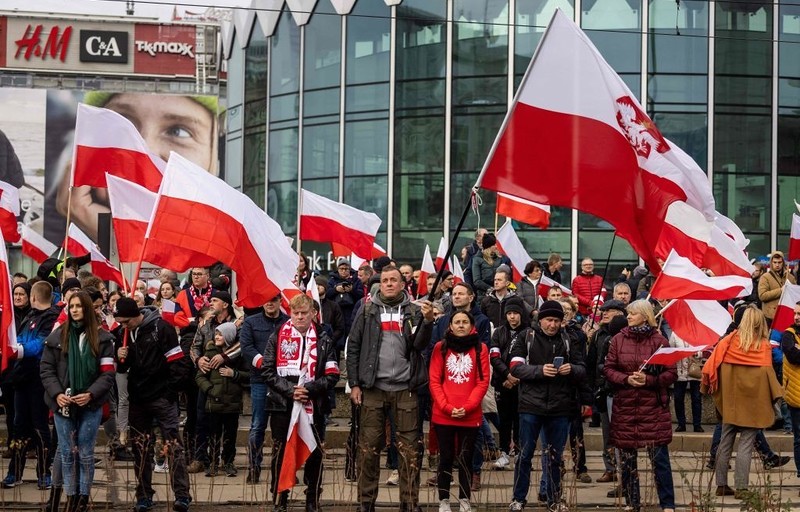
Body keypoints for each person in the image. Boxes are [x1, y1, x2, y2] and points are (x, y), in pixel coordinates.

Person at [347, 267, 434, 512]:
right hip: (373, 389)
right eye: (384, 280)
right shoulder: (367, 310)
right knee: (368, 449)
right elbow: (353, 347)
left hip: (406, 389)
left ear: (402, 284)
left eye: (393, 280)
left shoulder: (414, 311)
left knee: (410, 449)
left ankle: (410, 503)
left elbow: (420, 344)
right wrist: (354, 383)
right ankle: (365, 503)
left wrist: (427, 322)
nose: (388, 284)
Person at [114, 297, 192, 512]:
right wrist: (119, 356)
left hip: (161, 397)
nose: (124, 326)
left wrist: (170, 393)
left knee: (173, 446)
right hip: (138, 399)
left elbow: (178, 363)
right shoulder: (122, 333)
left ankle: (182, 495)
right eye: (120, 322)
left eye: (126, 321)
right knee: (140, 449)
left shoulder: (161, 328)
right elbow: (122, 369)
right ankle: (144, 495)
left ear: (136, 315)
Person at [263, 294, 339, 512]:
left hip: (313, 404)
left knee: (315, 454)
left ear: (313, 313)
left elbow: (332, 374)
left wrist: (309, 390)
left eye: (304, 313)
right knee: (280, 453)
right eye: (295, 313)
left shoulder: (324, 338)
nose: (299, 317)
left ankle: (312, 499)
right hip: (283, 404)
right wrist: (291, 391)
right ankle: (280, 498)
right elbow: (267, 371)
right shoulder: (277, 335)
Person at [40, 291, 116, 512]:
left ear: (87, 309)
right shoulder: (57, 337)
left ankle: (82, 500)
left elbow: (107, 374)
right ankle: (70, 497)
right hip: (63, 403)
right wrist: (57, 394)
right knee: (66, 452)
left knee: (85, 453)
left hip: (90, 404)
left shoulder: (102, 338)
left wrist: (90, 393)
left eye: (79, 306)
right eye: (71, 306)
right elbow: (46, 369)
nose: (74, 310)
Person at [508, 300, 586, 512]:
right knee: (525, 455)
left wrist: (571, 369)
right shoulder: (526, 336)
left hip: (560, 406)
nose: (553, 325)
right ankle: (518, 498)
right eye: (549, 320)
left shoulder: (568, 339)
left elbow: (582, 368)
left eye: (557, 321)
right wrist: (539, 371)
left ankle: (554, 499)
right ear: (540, 319)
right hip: (530, 405)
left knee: (554, 457)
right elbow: (515, 367)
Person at [603, 299, 677, 512]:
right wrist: (626, 379)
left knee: (660, 460)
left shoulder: (660, 341)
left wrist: (649, 380)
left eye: (632, 313)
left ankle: (667, 504)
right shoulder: (618, 339)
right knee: (628, 461)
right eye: (628, 313)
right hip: (625, 407)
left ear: (645, 316)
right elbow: (608, 369)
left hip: (653, 409)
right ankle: (632, 501)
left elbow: (671, 373)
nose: (628, 317)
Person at [702, 306, 782, 498]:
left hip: (730, 400)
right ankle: (742, 488)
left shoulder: (727, 342)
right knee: (746, 443)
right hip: (753, 402)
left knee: (725, 441)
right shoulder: (763, 346)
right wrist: (777, 396)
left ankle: (721, 485)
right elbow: (768, 376)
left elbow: (711, 368)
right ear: (760, 324)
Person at [429, 311, 490, 512]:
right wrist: (447, 407)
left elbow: (482, 382)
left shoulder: (480, 348)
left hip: (470, 415)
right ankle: (444, 501)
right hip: (443, 414)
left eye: (465, 322)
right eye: (457, 322)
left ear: (472, 325)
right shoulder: (440, 347)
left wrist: (468, 407)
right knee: (445, 458)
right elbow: (434, 381)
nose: (461, 325)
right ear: (450, 326)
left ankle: (465, 500)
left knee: (466, 459)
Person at [1, 281, 60, 490]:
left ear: (33, 297)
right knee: (19, 426)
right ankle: (14, 472)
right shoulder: (30, 317)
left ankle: (44, 472)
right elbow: (20, 338)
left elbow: (41, 344)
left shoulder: (51, 319)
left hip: (39, 380)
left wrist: (18, 350)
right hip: (21, 379)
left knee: (39, 426)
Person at [239, 293, 289, 483]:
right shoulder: (251, 322)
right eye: (267, 300)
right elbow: (246, 347)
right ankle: (254, 467)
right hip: (260, 380)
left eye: (274, 299)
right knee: (258, 425)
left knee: (283, 427)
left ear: (280, 301)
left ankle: (283, 468)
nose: (270, 303)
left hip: (283, 382)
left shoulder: (288, 322)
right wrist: (264, 363)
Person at [194, 322, 248, 477]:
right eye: (216, 334)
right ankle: (213, 462)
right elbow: (200, 376)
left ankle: (228, 462)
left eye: (220, 335)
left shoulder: (239, 357)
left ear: (229, 337)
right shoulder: (210, 353)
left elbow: (248, 375)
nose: (216, 337)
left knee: (230, 435)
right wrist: (210, 389)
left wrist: (234, 374)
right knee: (214, 435)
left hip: (232, 404)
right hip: (214, 403)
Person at [584, 299, 627, 484]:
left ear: (620, 313)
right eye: (604, 311)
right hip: (603, 389)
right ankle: (610, 468)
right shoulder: (599, 335)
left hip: (623, 390)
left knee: (622, 433)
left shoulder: (626, 334)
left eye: (609, 311)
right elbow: (592, 363)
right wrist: (592, 388)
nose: (605, 314)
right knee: (607, 432)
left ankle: (625, 468)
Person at [490, 296, 530, 470]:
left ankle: (520, 452)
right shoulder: (499, 332)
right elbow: (494, 357)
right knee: (504, 419)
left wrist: (517, 378)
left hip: (522, 383)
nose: (512, 317)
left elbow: (530, 358)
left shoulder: (529, 332)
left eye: (515, 313)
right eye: (509, 313)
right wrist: (507, 375)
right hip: (502, 382)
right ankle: (504, 452)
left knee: (520, 419)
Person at [781, 301, 800, 480]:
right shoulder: (788, 334)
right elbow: (793, 356)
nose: (796, 317)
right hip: (796, 396)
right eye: (795, 313)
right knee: (799, 438)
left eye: (799, 313)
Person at [670, 333, 704, 432]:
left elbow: (703, 351)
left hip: (694, 371)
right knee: (678, 398)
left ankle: (697, 425)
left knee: (696, 398)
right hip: (680, 372)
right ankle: (681, 424)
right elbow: (671, 351)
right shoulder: (675, 334)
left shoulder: (697, 333)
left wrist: (697, 354)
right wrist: (680, 353)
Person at [759, 251, 796, 322]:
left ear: (783, 263)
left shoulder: (790, 277)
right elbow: (762, 296)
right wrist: (780, 290)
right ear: (771, 263)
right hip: (770, 317)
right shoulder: (765, 277)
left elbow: (795, 296)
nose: (777, 265)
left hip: (787, 315)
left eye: (779, 262)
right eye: (775, 262)